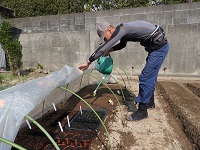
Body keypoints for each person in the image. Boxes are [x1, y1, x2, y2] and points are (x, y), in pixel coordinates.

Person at [78, 21, 169, 121]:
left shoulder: (122, 30)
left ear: (109, 30)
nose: (105, 40)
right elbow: (122, 45)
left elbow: (104, 47)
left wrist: (88, 62)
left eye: (104, 37)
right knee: (150, 76)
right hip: (156, 47)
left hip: (159, 48)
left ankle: (142, 112)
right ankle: (150, 103)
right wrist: (111, 49)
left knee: (145, 77)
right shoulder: (124, 29)